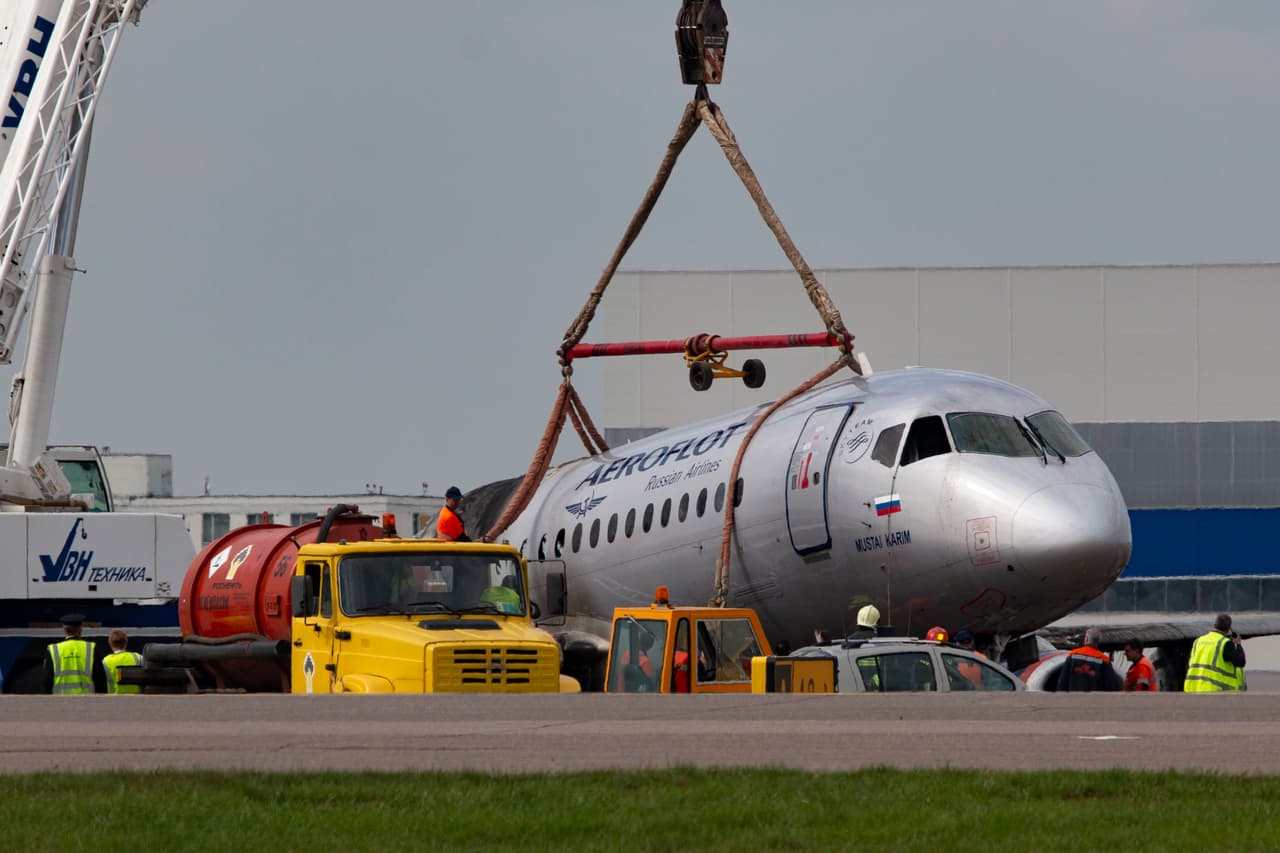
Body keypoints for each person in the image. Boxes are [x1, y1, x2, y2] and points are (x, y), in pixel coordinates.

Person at [43, 614, 105, 695]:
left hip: (59, 702)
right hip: (87, 702)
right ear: (80, 630)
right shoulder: (91, 648)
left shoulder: (53, 649)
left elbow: (47, 682)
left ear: (65, 630)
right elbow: (100, 681)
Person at [1184, 613, 1246, 692]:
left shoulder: (1198, 641)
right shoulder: (1225, 643)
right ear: (1228, 629)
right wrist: (1238, 645)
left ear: (1214, 626)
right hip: (1213, 690)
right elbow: (1240, 662)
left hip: (1193, 688)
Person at [1055, 626, 1123, 692]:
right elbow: (1110, 686)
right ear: (1098, 641)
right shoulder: (1104, 660)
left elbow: (1062, 682)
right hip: (1094, 701)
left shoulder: (1073, 655)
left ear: (1086, 639)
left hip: (1074, 700)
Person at [101, 629, 144, 695]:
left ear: (110, 643)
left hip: (114, 699)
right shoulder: (138, 657)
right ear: (126, 642)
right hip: (136, 698)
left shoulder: (105, 661)